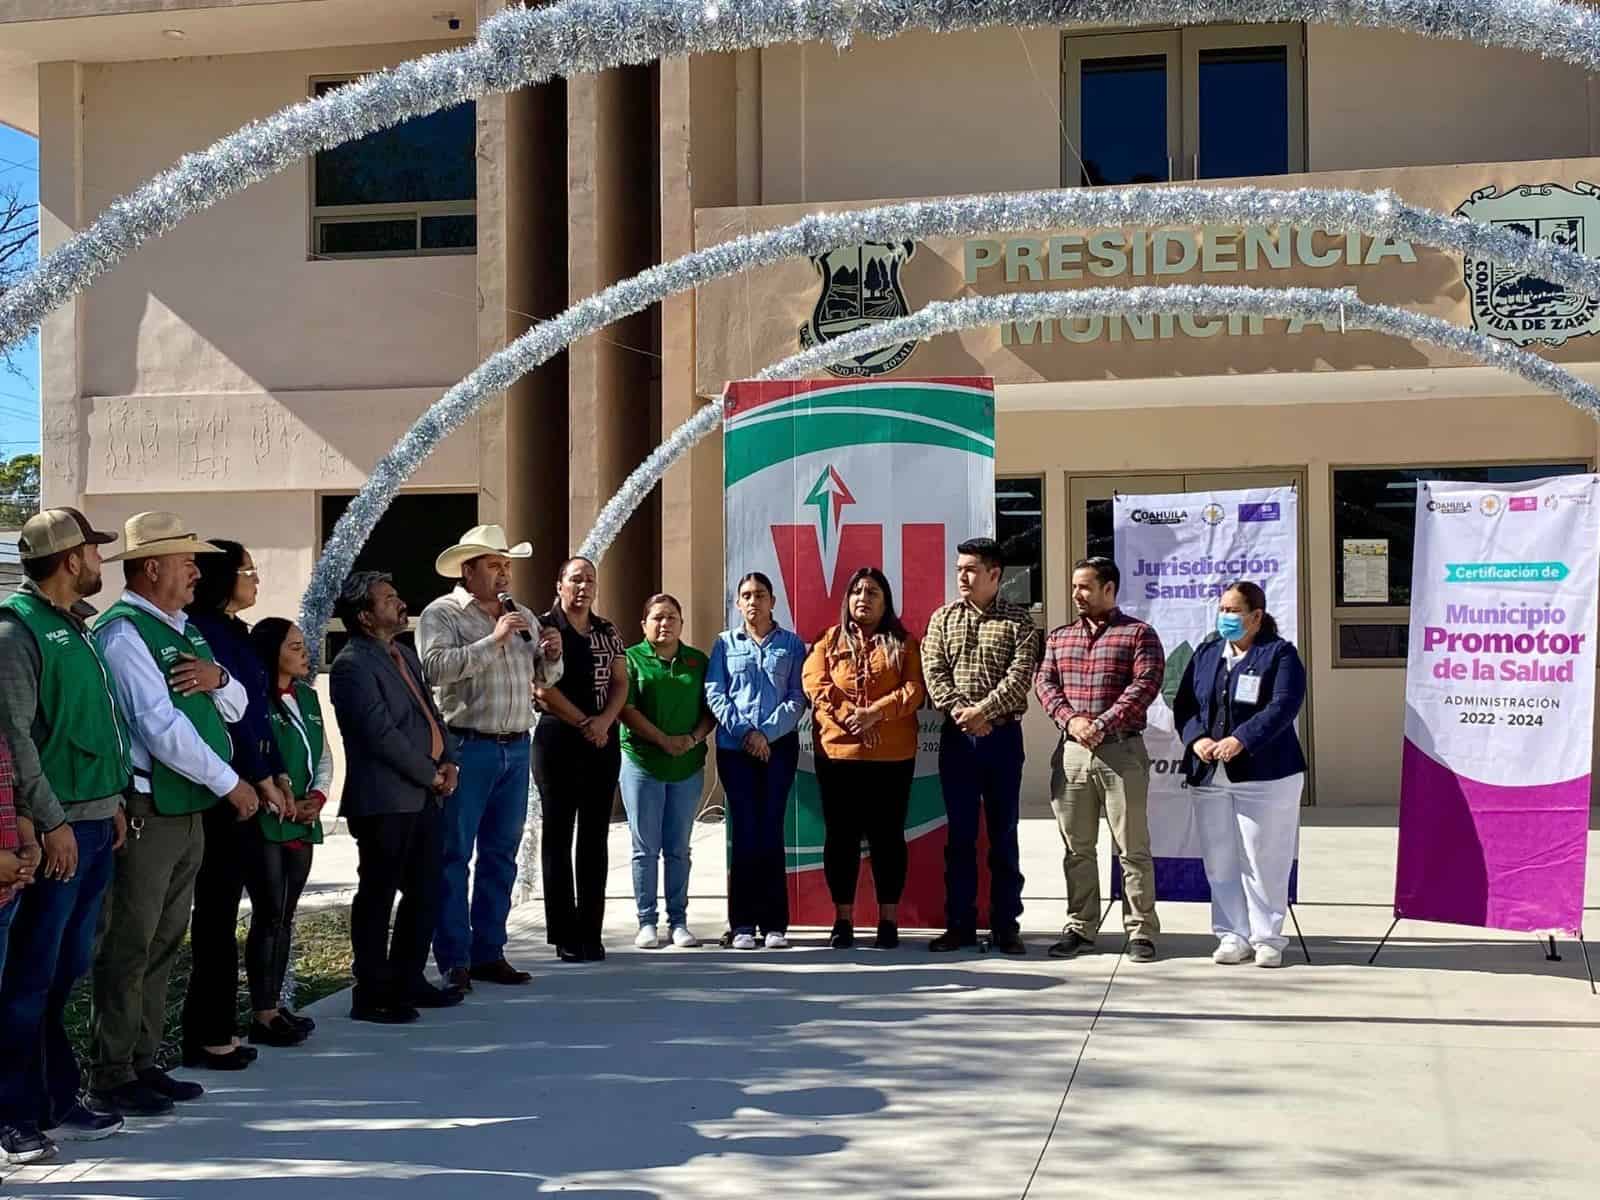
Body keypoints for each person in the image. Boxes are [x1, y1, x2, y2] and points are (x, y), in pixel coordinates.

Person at [89, 512, 258, 1117]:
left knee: (163, 940)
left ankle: (143, 1060)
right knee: (130, 943)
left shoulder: (184, 629)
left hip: (184, 805)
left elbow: (235, 703)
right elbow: (159, 728)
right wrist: (232, 782)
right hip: (150, 805)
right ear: (151, 567)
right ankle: (111, 1071)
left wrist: (216, 680)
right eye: (186, 560)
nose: (196, 570)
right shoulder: (123, 633)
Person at [0, 509, 125, 1162]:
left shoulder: (74, 628)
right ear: (70, 559)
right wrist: (51, 822)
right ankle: (14, 1117)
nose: (102, 560)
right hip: (61, 831)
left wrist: (114, 804)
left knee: (62, 975)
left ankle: (56, 1095)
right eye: (93, 550)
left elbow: (96, 725)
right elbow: (15, 739)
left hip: (97, 821)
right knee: (28, 979)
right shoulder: (16, 631)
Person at [418, 525, 563, 992]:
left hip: (516, 745)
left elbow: (544, 675)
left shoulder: (520, 614)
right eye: (495, 566)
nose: (504, 574)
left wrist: (552, 656)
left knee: (502, 855)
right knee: (454, 855)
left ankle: (490, 951)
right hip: (466, 745)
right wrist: (494, 639)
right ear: (468, 570)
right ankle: (454, 958)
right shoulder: (442, 613)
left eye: (507, 566)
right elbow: (435, 670)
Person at [181, 541, 298, 1068]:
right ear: (222, 576)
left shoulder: (237, 635)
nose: (255, 580)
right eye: (248, 570)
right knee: (215, 916)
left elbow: (253, 715)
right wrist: (248, 777)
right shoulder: (198, 631)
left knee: (252, 910)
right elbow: (217, 717)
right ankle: (208, 1032)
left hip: (250, 782)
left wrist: (271, 772)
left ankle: (238, 1018)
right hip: (220, 789)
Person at [330, 571, 462, 1023]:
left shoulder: (403, 653)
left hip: (426, 794)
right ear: (365, 617)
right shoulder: (351, 665)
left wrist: (450, 761)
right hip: (385, 800)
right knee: (378, 894)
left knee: (425, 891)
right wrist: (430, 773)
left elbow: (432, 713)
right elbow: (379, 734)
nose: (400, 603)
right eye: (389, 599)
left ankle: (409, 978)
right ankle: (371, 992)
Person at [1036, 557, 1165, 963]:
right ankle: (1080, 926)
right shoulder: (1059, 638)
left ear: (1110, 589)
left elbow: (1145, 685)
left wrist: (1103, 723)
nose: (1077, 595)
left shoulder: (1138, 635)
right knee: (1077, 848)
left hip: (1121, 751)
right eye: (1075, 587)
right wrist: (1072, 720)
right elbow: (1045, 683)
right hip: (1073, 752)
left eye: (1086, 587)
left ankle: (1141, 930)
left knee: (1132, 847)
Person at [1172, 581, 1308, 969]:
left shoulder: (1279, 655)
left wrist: (1241, 740)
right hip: (1211, 774)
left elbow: (1283, 706)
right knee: (1220, 858)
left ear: (1256, 616)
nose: (1225, 618)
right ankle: (1232, 934)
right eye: (1223, 610)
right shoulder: (1208, 651)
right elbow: (1184, 704)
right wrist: (1196, 738)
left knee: (1264, 858)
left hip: (1265, 775)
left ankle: (1268, 938)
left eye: (1233, 611)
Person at [921, 538, 1039, 955]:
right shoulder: (942, 619)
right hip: (957, 740)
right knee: (961, 837)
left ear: (995, 574)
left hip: (1003, 737)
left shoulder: (1019, 622)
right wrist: (961, 712)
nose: (962, 577)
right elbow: (933, 672)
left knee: (1004, 834)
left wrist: (984, 711)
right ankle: (960, 924)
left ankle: (1006, 925)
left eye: (971, 569)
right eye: (959, 569)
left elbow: (1021, 676)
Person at [803, 567, 924, 951]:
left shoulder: (904, 643)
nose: (863, 598)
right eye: (857, 591)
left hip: (892, 757)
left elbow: (914, 689)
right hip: (838, 754)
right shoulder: (827, 641)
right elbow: (815, 684)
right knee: (842, 839)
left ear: (885, 601)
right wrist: (851, 717)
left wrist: (877, 713)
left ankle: (888, 922)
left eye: (872, 592)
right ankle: (843, 920)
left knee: (889, 838)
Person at [703, 572, 807, 951]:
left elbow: (797, 697)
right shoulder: (724, 644)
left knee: (770, 832)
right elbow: (716, 693)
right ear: (737, 603)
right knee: (745, 835)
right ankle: (743, 923)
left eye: (760, 595)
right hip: (736, 750)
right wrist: (747, 733)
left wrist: (766, 734)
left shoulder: (793, 645)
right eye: (746, 595)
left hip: (778, 749)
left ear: (773, 601)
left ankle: (775, 924)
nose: (753, 601)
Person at [533, 557, 627, 963]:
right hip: (558, 739)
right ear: (559, 585)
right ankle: (564, 934)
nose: (583, 586)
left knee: (594, 838)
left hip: (602, 740)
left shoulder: (608, 630)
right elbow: (540, 688)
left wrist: (604, 722)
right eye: (575, 579)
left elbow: (622, 682)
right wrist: (583, 721)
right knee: (557, 836)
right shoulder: (543, 628)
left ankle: (591, 929)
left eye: (589, 580)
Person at [247, 619, 331, 1039]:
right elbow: (249, 757)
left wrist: (315, 800)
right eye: (295, 646)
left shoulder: (308, 698)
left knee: (285, 917)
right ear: (272, 651)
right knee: (268, 913)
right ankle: (262, 1012)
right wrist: (279, 801)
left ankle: (276, 1004)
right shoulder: (253, 700)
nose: (305, 653)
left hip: (302, 820)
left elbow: (323, 757)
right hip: (267, 820)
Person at [617, 594, 716, 950]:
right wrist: (662, 740)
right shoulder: (630, 659)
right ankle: (646, 921)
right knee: (645, 847)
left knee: (678, 848)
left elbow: (712, 709)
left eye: (672, 617)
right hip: (643, 764)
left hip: (686, 766)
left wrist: (691, 739)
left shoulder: (696, 661)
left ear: (681, 624)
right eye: (657, 617)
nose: (665, 623)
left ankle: (678, 921)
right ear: (644, 624)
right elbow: (625, 709)